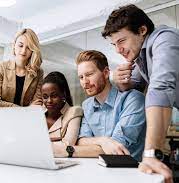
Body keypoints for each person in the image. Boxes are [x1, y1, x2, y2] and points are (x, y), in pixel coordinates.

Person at [102, 4, 179, 182]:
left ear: (142, 30)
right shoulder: (140, 57)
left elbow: (160, 88)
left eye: (121, 41)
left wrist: (151, 154)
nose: (117, 50)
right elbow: (132, 87)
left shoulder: (164, 39)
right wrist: (121, 81)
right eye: (114, 44)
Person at [53, 50, 146, 161]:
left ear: (106, 73)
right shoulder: (86, 105)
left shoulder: (133, 99)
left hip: (130, 171)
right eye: (81, 77)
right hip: (97, 169)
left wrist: (66, 150)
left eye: (89, 75)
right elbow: (81, 140)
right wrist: (104, 141)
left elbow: (116, 148)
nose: (85, 82)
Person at [0, 28, 43, 107]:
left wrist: (28, 110)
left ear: (33, 50)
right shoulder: (1, 67)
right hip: (1, 116)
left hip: (26, 118)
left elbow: (36, 104)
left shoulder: (38, 72)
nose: (23, 51)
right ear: (14, 46)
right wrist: (24, 110)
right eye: (20, 45)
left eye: (28, 47)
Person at [41, 72, 83, 157]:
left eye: (54, 96)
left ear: (63, 95)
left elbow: (68, 144)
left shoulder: (74, 112)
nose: (49, 101)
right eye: (45, 97)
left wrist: (38, 145)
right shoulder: (38, 113)